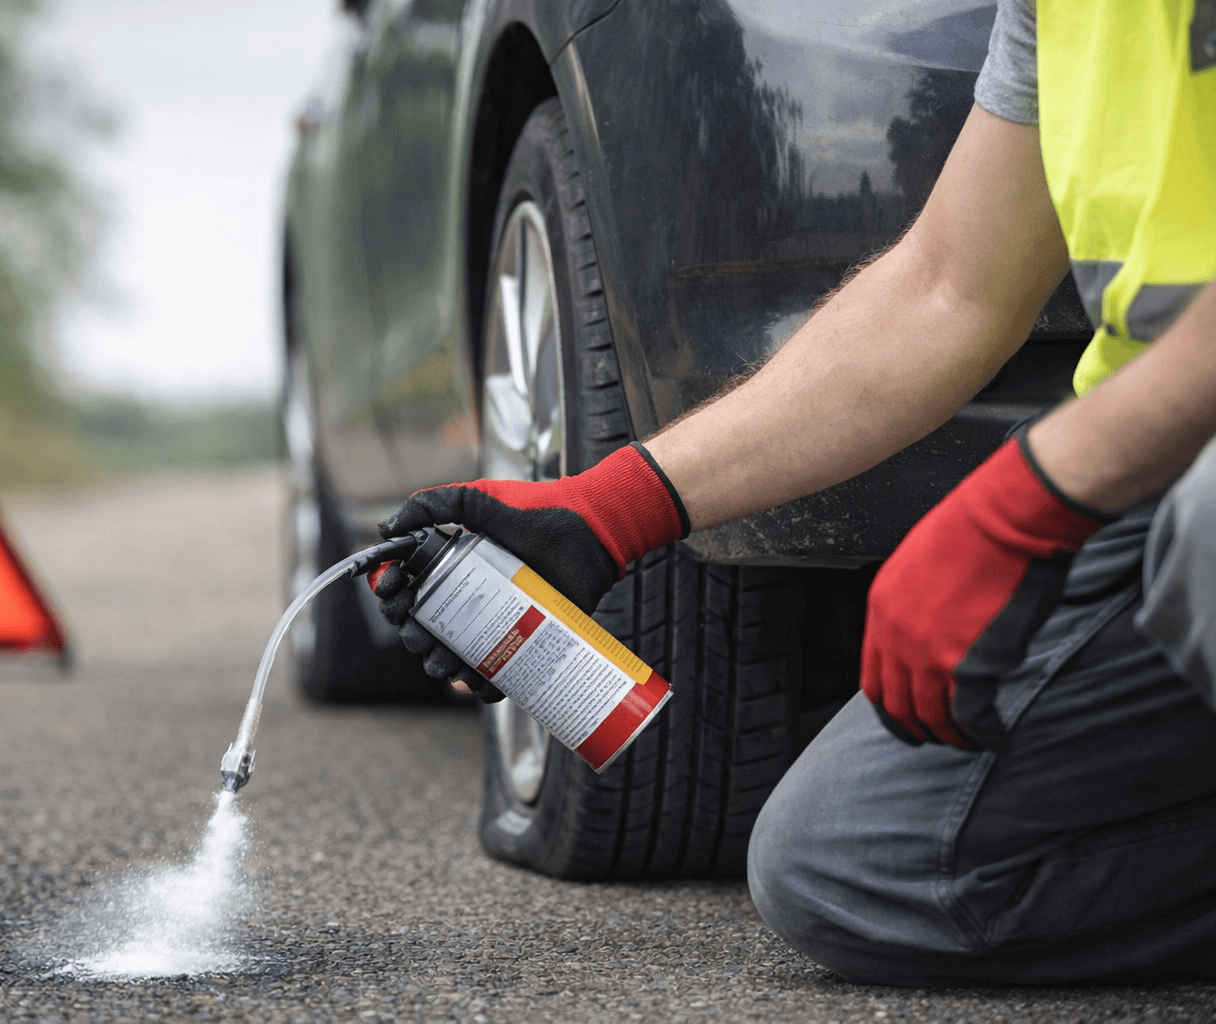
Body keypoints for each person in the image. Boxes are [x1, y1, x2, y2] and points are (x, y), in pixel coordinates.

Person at [370, 0, 1216, 986]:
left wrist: (1026, 499)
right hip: (1157, 453)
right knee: (850, 861)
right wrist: (615, 507)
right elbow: (950, 286)